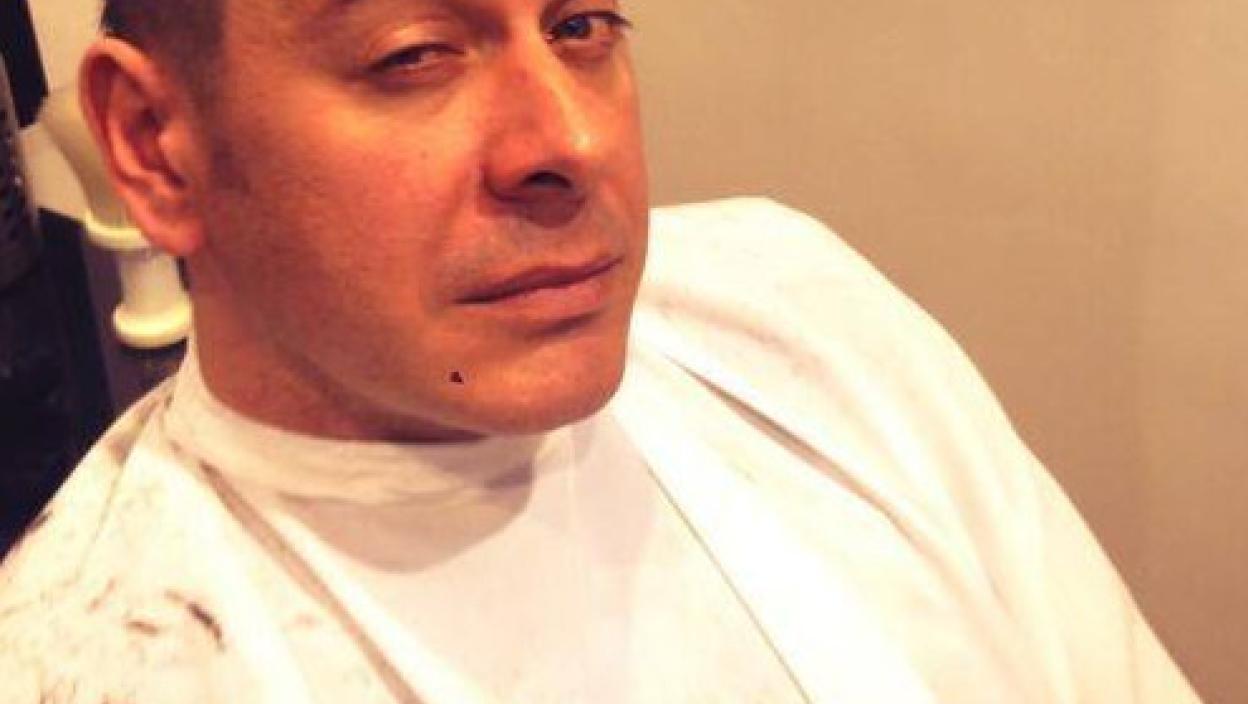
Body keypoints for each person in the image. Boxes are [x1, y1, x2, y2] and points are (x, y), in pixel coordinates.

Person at [0, 1, 1203, 702]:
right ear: (154, 144)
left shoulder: (797, 309)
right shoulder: (84, 656)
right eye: (414, 52)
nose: (572, 138)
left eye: (580, 25)